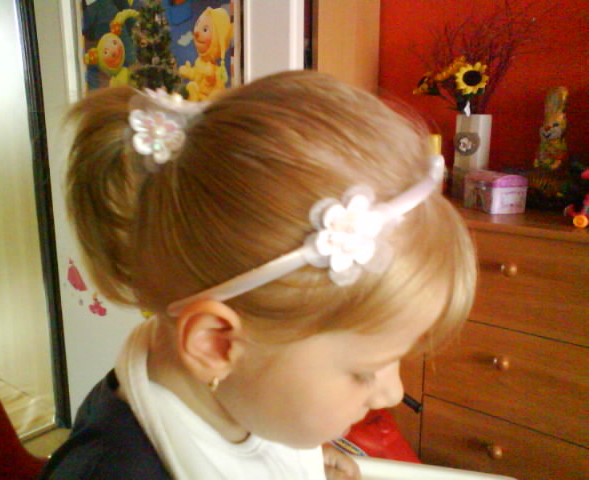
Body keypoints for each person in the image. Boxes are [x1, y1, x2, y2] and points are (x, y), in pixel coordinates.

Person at [40, 70, 477, 480]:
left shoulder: (244, 398)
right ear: (216, 343)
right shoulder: (114, 470)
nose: (393, 394)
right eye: (365, 371)